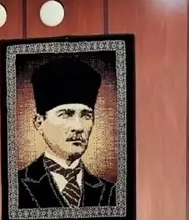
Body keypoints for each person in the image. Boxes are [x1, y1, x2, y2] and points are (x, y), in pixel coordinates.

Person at [16, 56, 117, 209]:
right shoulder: (16, 187)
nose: (78, 127)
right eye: (66, 114)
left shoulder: (111, 192)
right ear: (39, 122)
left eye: (86, 115)